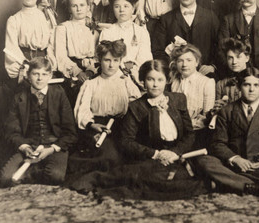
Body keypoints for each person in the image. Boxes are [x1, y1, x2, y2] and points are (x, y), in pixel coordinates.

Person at [69, 60, 206, 200]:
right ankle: (96, 179)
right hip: (152, 156)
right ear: (142, 81)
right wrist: (156, 154)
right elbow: (126, 142)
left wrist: (174, 152)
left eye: (160, 79)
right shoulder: (136, 107)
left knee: (182, 179)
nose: (155, 84)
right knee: (140, 175)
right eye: (150, 79)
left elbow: (189, 134)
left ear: (167, 81)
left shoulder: (179, 99)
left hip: (176, 155)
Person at [196, 67, 259, 198]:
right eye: (247, 85)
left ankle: (232, 183)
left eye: (256, 85)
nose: (252, 89)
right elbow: (217, 143)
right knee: (204, 161)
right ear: (239, 87)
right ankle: (251, 187)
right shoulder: (227, 111)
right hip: (235, 165)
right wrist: (235, 159)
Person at [0, 57, 77, 187]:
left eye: (44, 74)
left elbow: (70, 132)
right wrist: (25, 147)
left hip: (53, 146)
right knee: (6, 178)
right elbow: (11, 131)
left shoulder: (59, 94)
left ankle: (33, 170)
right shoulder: (19, 97)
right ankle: (35, 169)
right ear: (28, 76)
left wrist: (51, 149)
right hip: (30, 146)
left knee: (55, 176)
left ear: (50, 75)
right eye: (36, 74)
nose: (40, 79)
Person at [70, 40, 141, 174]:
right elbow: (82, 110)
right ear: (99, 60)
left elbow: (136, 106)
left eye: (115, 60)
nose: (111, 65)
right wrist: (92, 125)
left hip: (123, 128)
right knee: (108, 158)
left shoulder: (126, 82)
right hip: (98, 127)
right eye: (107, 60)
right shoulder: (90, 84)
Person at [152, 0, 220, 72]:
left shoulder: (210, 17)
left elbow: (219, 46)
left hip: (204, 72)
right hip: (176, 72)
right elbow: (157, 51)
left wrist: (212, 66)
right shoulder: (166, 19)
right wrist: (173, 66)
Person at [5, 0, 54, 82]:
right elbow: (11, 48)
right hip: (25, 65)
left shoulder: (45, 16)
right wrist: (26, 65)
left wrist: (49, 62)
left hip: (44, 65)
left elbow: (51, 43)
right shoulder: (14, 20)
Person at [53, 0, 98, 105]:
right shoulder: (63, 28)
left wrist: (90, 71)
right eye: (74, 6)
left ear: (88, 7)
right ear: (69, 8)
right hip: (71, 71)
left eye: (82, 5)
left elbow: (98, 57)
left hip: (91, 71)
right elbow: (61, 56)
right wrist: (78, 72)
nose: (79, 9)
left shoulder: (94, 30)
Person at [99, 0, 152, 84]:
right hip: (113, 75)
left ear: (133, 9)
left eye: (126, 6)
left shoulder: (141, 32)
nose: (121, 10)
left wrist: (133, 71)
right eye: (117, 6)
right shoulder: (107, 32)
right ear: (113, 9)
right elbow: (106, 57)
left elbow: (145, 57)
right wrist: (121, 69)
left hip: (137, 75)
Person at [170, 44, 215, 132]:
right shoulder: (174, 82)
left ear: (196, 62)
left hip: (198, 132)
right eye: (180, 61)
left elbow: (207, 118)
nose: (184, 64)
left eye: (189, 60)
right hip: (175, 130)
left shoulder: (207, 83)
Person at [215, 38, 259, 104]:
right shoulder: (221, 84)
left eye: (238, 57)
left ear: (247, 58)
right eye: (230, 58)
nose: (234, 62)